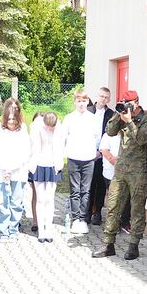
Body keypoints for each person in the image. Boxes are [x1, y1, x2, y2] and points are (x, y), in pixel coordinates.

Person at [92, 90, 147, 261]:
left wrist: (131, 122)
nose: (126, 105)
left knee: (136, 209)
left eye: (128, 102)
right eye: (123, 102)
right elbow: (110, 131)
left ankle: (134, 245)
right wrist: (118, 115)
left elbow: (142, 139)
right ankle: (108, 244)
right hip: (120, 170)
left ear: (137, 102)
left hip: (137, 172)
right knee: (112, 206)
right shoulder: (122, 117)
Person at [0, 99, 31, 241]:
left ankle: (13, 230)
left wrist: (12, 168)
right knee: (2, 204)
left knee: (16, 203)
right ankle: (3, 231)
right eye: (9, 120)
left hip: (18, 171)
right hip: (0, 171)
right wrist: (5, 168)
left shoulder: (23, 129)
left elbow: (25, 151)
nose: (11, 123)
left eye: (14, 121)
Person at [63, 88, 99, 234]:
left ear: (87, 101)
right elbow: (64, 137)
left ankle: (83, 219)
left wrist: (95, 151)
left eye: (84, 101)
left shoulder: (93, 118)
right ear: (75, 102)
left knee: (86, 190)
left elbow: (97, 137)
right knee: (75, 190)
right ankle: (75, 219)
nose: (82, 104)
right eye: (79, 101)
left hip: (89, 158)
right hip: (73, 157)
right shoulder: (69, 118)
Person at [29, 112, 64, 242]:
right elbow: (34, 147)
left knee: (50, 198)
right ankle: (41, 231)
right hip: (39, 165)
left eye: (53, 127)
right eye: (48, 126)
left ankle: (48, 229)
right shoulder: (37, 128)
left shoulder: (59, 130)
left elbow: (60, 148)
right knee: (40, 199)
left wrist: (58, 165)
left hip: (53, 165)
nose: (50, 129)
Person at [86, 87, 114, 225]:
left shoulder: (111, 114)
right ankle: (87, 212)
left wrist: (101, 151)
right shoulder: (88, 111)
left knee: (101, 185)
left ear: (108, 99)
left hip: (103, 153)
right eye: (101, 96)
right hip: (88, 152)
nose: (103, 99)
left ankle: (97, 212)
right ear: (97, 96)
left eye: (106, 97)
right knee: (89, 184)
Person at [99, 123, 131, 230]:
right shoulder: (108, 135)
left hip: (126, 171)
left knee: (125, 197)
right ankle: (112, 223)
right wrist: (114, 160)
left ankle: (124, 222)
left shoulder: (129, 133)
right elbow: (104, 149)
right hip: (110, 171)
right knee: (113, 198)